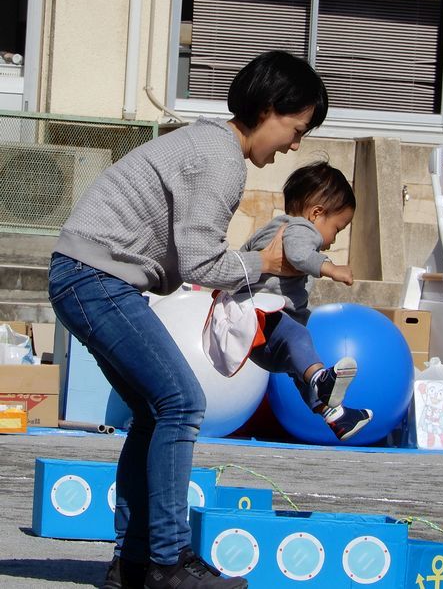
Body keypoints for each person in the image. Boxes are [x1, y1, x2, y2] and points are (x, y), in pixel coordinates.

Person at [47, 50, 328, 589]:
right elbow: (202, 263)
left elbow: (194, 259)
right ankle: (167, 563)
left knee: (156, 413)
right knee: (181, 402)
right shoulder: (221, 159)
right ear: (268, 109)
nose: (295, 144)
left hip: (88, 276)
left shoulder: (209, 146)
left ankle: (133, 564)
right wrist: (265, 264)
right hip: (95, 278)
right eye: (296, 129)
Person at [240, 161, 373, 441]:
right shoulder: (299, 227)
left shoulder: (274, 229)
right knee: (298, 337)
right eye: (337, 229)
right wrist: (331, 268)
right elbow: (300, 253)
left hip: (257, 330)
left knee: (299, 368)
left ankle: (335, 416)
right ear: (316, 214)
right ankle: (321, 381)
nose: (332, 241)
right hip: (263, 318)